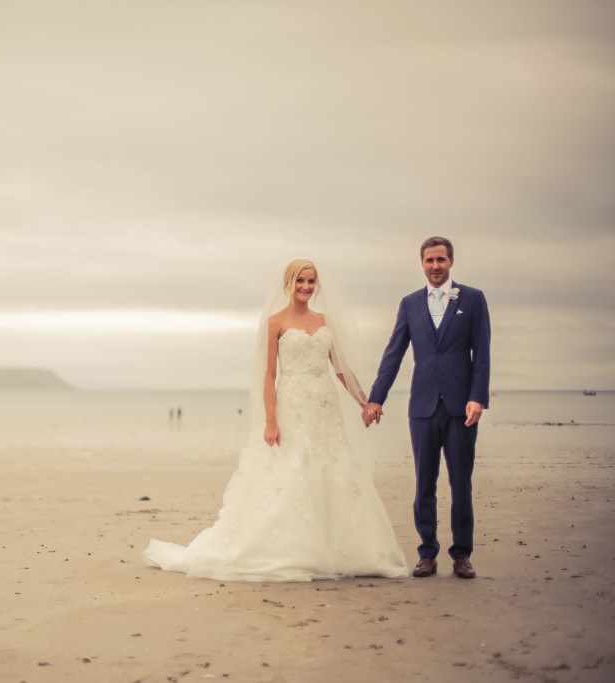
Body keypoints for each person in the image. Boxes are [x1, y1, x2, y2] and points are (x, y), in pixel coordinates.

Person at [143, 259, 407, 582]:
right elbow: (269, 375)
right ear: (289, 284)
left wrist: (366, 402)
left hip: (325, 408)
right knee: (293, 471)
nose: (306, 288)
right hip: (292, 406)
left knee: (332, 469)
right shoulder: (275, 322)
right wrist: (270, 420)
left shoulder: (324, 321)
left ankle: (338, 548)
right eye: (300, 282)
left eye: (311, 282)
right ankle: (294, 549)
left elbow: (341, 369)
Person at [364, 237, 491, 580]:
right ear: (421, 264)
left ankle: (462, 554)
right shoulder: (410, 304)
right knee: (424, 483)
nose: (435, 266)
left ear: (451, 261)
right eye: (429, 261)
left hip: (460, 407)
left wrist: (478, 397)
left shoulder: (473, 299)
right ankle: (427, 553)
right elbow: (394, 353)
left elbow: (482, 353)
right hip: (421, 407)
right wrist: (377, 398)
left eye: (441, 260)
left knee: (460, 482)